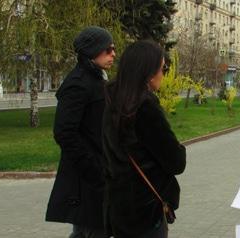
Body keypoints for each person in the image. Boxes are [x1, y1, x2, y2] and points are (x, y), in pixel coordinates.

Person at [102, 40, 186, 237]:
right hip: (145, 212)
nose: (163, 74)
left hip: (118, 208)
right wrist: (180, 148)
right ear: (148, 73)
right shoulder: (145, 107)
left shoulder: (111, 101)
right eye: (162, 68)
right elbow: (176, 162)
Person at [46, 26, 116, 238]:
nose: (113, 53)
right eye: (108, 49)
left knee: (90, 230)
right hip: (87, 179)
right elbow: (64, 132)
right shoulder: (78, 84)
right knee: (93, 229)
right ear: (93, 51)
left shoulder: (96, 79)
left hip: (98, 173)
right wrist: (93, 169)